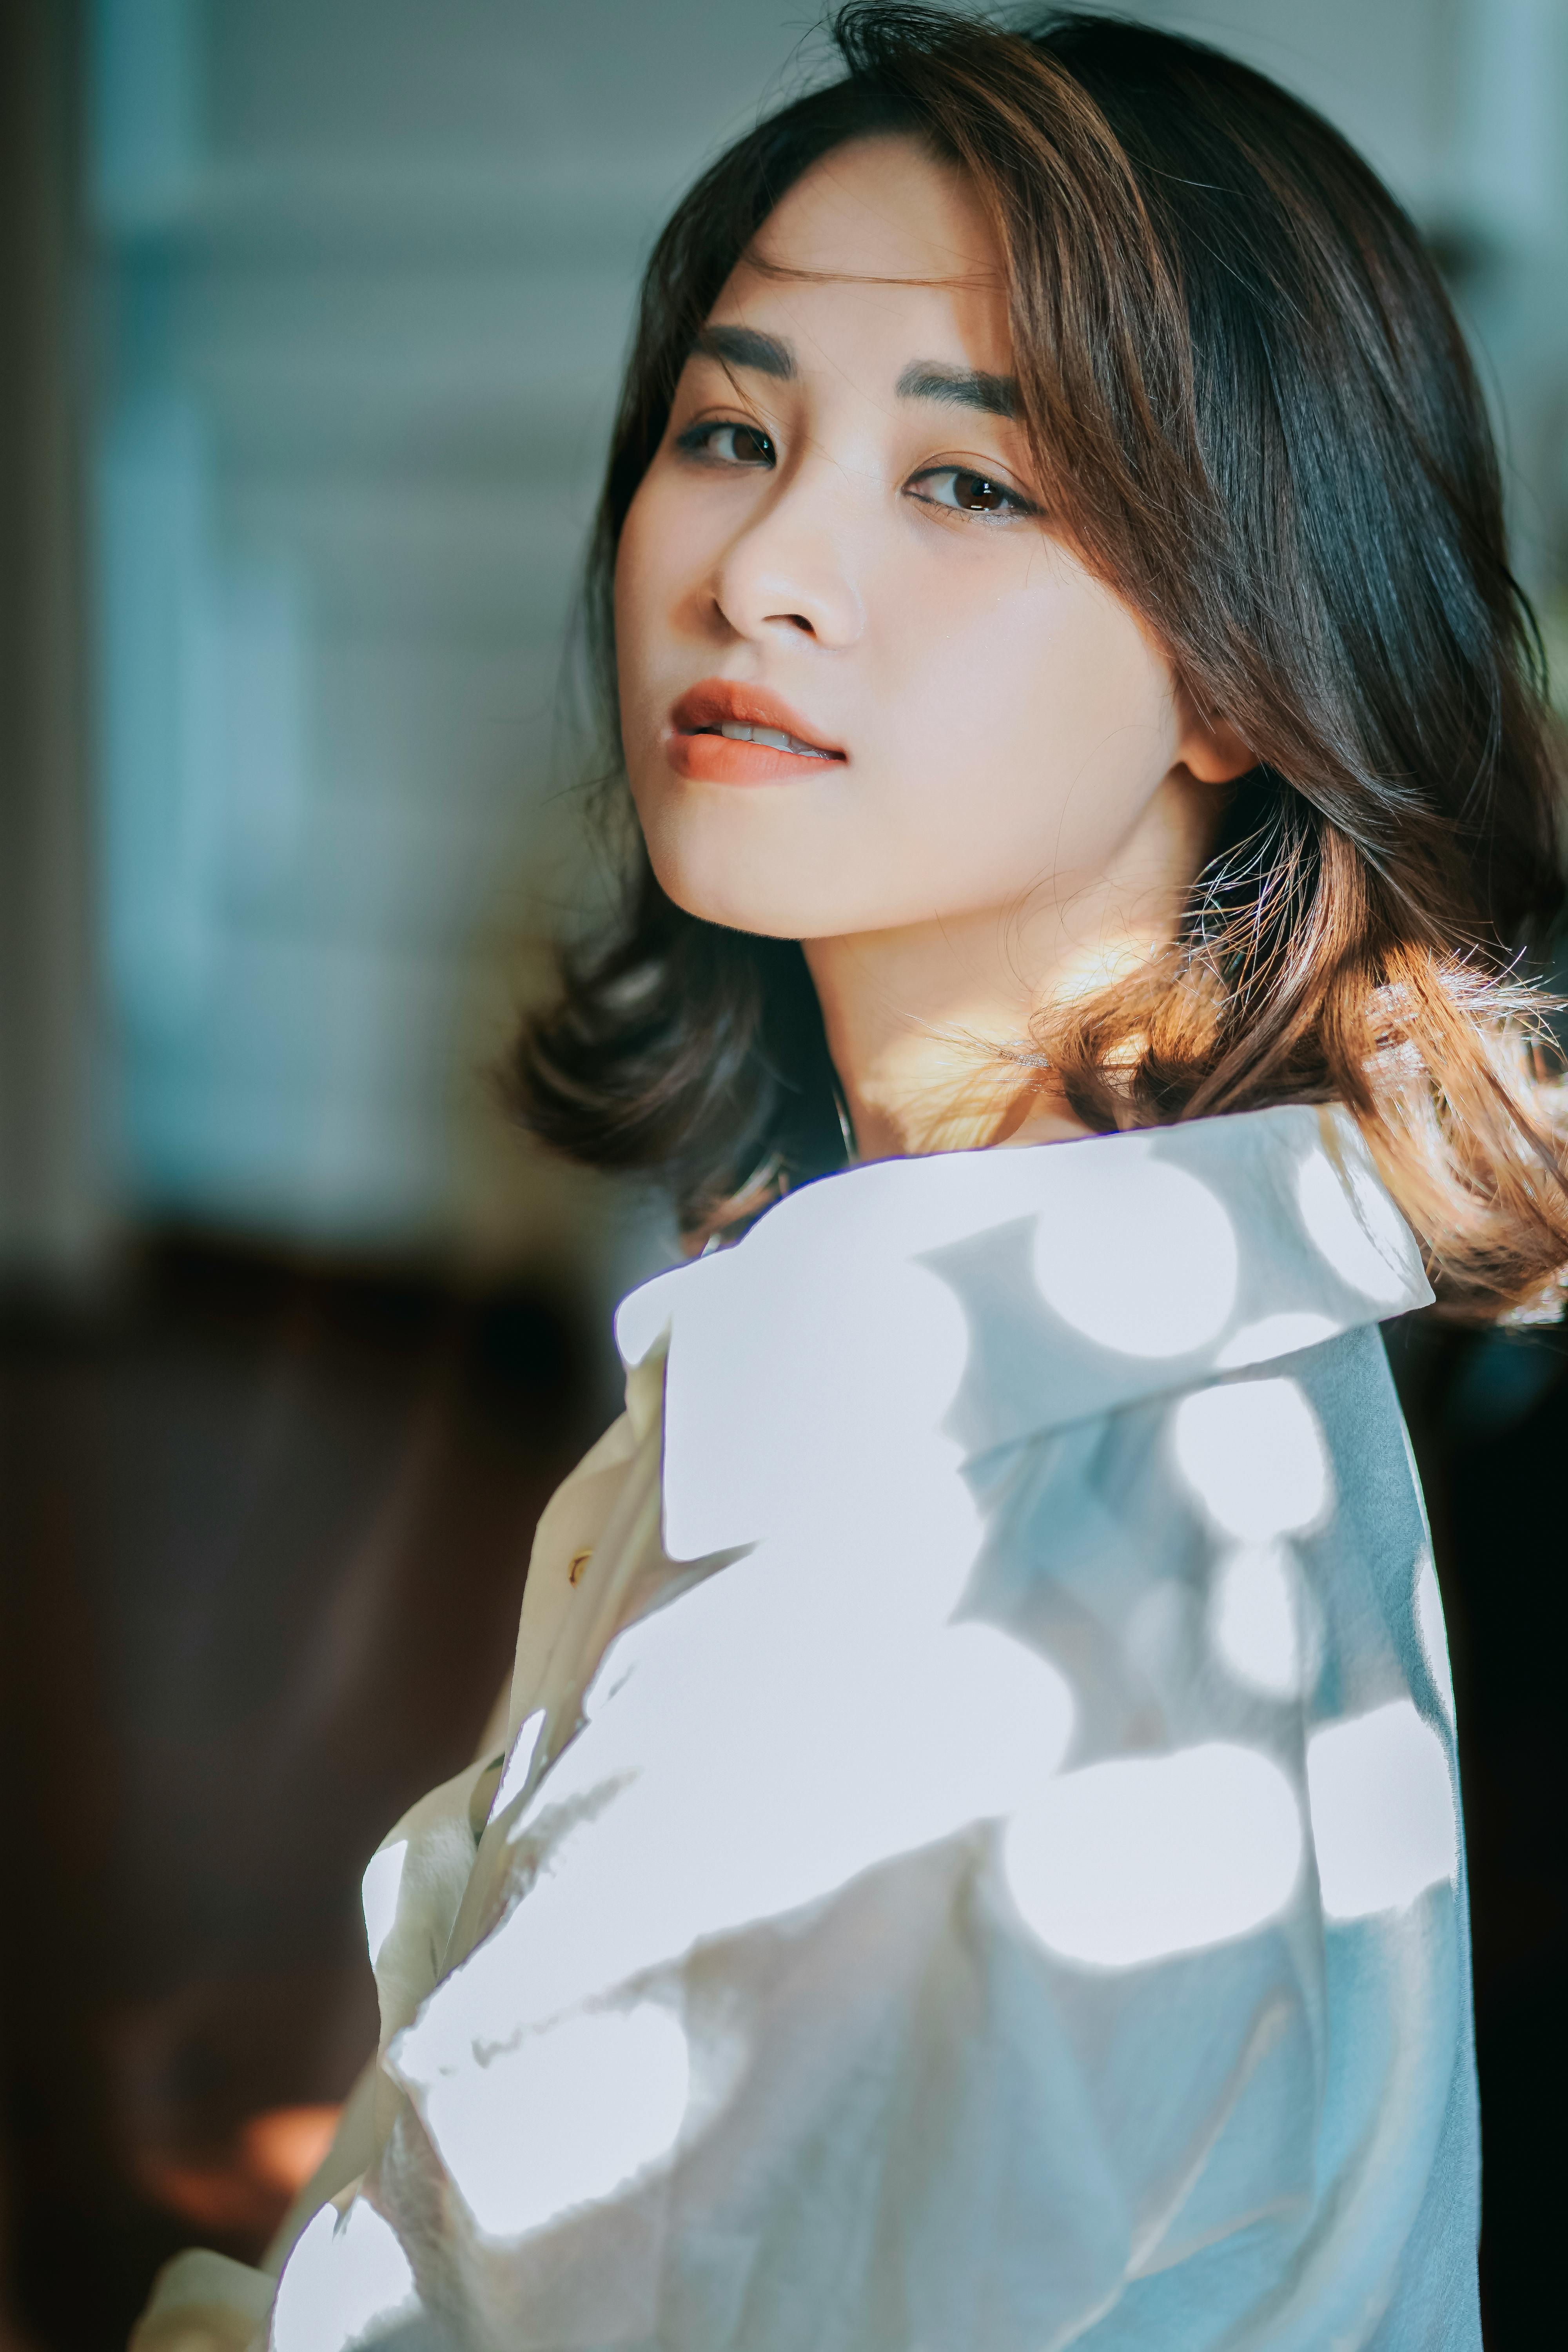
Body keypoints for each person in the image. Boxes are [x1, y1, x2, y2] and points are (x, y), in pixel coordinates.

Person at [133, 7, 1566, 2347]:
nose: (761, 565)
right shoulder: (1027, 1337)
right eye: (729, 430)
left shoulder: (973, 1581)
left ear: (1240, 655)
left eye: (968, 483)